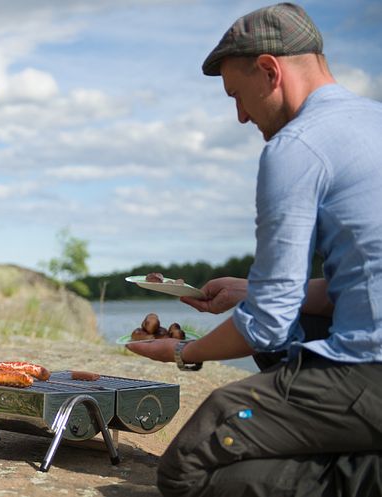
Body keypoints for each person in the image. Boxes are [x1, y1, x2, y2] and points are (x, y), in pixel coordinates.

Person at [126, 3, 382, 496]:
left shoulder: (298, 147)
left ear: (270, 71)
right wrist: (250, 290)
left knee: (188, 468)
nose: (241, 116)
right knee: (294, 341)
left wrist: (184, 351)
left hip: (368, 376)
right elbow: (358, 286)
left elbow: (266, 327)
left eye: (238, 97)